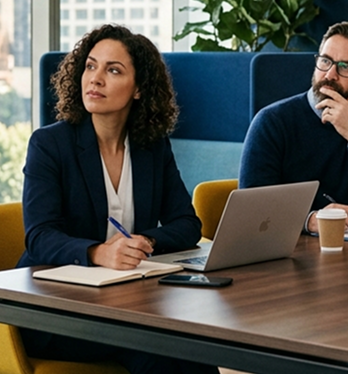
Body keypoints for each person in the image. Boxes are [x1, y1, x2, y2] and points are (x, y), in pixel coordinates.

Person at [17, 24, 215, 373]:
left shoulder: (151, 146)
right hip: (53, 307)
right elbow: (39, 236)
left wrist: (145, 242)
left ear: (139, 89)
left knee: (188, 346)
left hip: (126, 299)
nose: (95, 79)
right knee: (166, 350)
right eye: (90, 66)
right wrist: (98, 252)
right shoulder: (50, 145)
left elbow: (187, 224)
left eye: (113, 70)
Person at [240, 21, 348, 234]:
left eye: (345, 67)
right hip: (287, 245)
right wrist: (308, 220)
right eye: (325, 61)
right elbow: (251, 207)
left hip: (346, 246)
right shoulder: (272, 121)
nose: (329, 74)